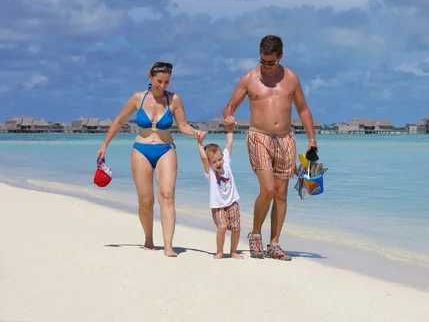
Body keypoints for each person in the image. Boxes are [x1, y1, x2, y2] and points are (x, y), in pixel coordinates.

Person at [223, 35, 318, 261]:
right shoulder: (249, 79)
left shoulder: (291, 79)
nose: (266, 67)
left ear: (280, 57)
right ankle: (255, 234)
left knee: (281, 193)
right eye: (263, 61)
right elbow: (230, 105)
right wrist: (228, 117)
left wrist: (312, 139)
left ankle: (274, 243)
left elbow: (303, 110)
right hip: (259, 137)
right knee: (267, 189)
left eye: (271, 62)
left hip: (286, 139)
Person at [97, 61, 206, 257]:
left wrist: (195, 132)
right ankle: (148, 238)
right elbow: (119, 121)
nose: (162, 86)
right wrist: (105, 145)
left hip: (166, 149)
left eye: (166, 82)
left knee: (167, 195)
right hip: (141, 150)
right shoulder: (137, 98)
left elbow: (183, 126)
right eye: (159, 81)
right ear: (150, 76)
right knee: (146, 201)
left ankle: (168, 246)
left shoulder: (174, 100)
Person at [196, 126, 243, 259]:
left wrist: (230, 131)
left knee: (236, 228)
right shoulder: (209, 172)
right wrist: (199, 144)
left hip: (232, 202)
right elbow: (204, 159)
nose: (218, 163)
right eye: (214, 161)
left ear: (223, 156)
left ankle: (233, 251)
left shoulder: (226, 162)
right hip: (218, 206)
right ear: (210, 163)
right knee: (222, 227)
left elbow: (229, 143)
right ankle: (219, 251)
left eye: (219, 159)